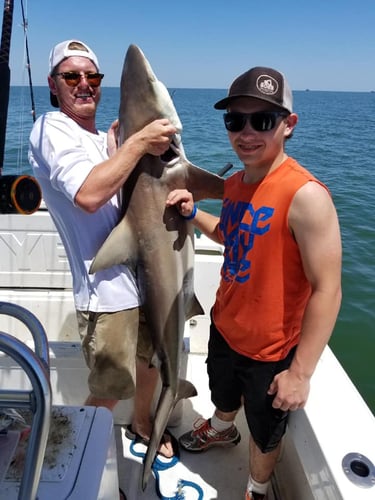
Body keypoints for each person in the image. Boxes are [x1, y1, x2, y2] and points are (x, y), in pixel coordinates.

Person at [166, 66, 342, 500]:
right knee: (221, 392)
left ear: (288, 124)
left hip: (272, 349)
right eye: (235, 120)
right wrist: (192, 215)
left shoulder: (306, 196)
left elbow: (328, 289)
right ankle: (222, 430)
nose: (246, 132)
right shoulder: (235, 184)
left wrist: (300, 373)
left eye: (262, 121)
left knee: (265, 431)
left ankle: (257, 488)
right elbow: (233, 234)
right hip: (227, 326)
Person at [28, 40, 177, 499]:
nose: (84, 84)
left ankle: (143, 423)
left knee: (152, 359)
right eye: (72, 77)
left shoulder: (101, 139)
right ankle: (70, 465)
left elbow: (131, 199)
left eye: (92, 76)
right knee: (112, 384)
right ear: (54, 86)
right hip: (105, 290)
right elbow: (90, 194)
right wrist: (135, 144)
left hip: (145, 278)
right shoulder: (51, 128)